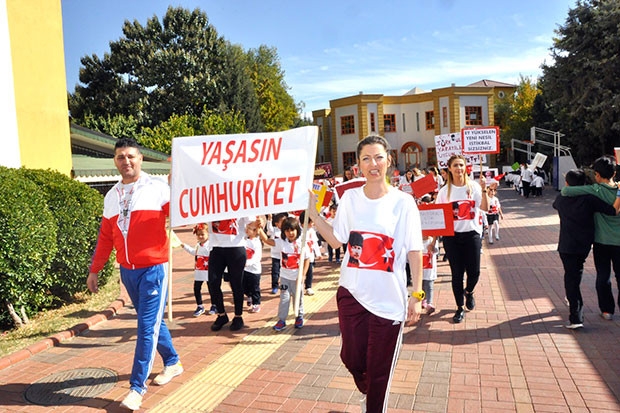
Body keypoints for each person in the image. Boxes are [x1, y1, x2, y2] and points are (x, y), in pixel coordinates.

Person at [309, 134, 424, 413]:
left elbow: (414, 251)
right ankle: (367, 389)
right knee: (352, 358)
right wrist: (312, 212)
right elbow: (337, 240)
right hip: (352, 292)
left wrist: (417, 295)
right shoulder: (350, 198)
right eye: (366, 158)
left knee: (379, 371)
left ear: (389, 160)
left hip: (389, 300)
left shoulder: (403, 202)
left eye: (378, 157)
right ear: (358, 165)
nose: (373, 164)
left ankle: (373, 403)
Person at [87, 138, 182, 411]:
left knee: (145, 328)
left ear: (140, 159)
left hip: (153, 269)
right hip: (127, 271)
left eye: (130, 156)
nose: (126, 161)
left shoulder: (158, 188)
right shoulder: (111, 196)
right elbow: (106, 237)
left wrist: (178, 188)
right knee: (150, 323)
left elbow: (180, 213)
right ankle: (173, 362)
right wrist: (95, 270)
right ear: (115, 161)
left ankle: (136, 389)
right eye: (120, 157)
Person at [553, 169, 616, 329]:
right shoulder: (590, 199)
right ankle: (578, 310)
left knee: (571, 279)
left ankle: (576, 317)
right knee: (577, 274)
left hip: (566, 245)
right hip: (584, 246)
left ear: (567, 183)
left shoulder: (561, 199)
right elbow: (611, 211)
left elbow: (555, 204)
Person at [436, 155, 489, 323]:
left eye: (461, 165)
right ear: (449, 169)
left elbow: (485, 208)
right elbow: (438, 217)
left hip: (471, 234)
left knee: (474, 272)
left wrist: (485, 189)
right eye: (455, 165)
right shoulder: (444, 191)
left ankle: (470, 292)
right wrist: (432, 241)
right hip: (452, 237)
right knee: (457, 274)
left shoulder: (473, 186)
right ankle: (459, 307)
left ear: (466, 167)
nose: (459, 168)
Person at [258, 217, 309, 331]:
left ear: (297, 230)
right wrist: (259, 228)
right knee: (284, 299)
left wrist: (303, 275)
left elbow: (307, 260)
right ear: (283, 232)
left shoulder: (302, 243)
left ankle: (299, 316)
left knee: (298, 298)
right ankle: (282, 320)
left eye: (292, 230)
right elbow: (267, 240)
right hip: (285, 277)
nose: (290, 233)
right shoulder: (281, 242)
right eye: (287, 230)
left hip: (297, 278)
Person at [207, 215, 257, 332]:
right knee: (213, 282)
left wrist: (257, 223)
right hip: (216, 246)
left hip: (236, 247)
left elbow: (252, 221)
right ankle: (221, 314)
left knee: (236, 283)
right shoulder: (209, 200)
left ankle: (238, 316)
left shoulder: (239, 200)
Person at [182, 223, 216, 316]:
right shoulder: (198, 245)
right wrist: (184, 246)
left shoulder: (210, 245)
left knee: (211, 288)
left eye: (203, 234)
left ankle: (214, 304)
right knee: (196, 288)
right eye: (198, 234)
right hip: (199, 271)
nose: (200, 236)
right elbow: (194, 252)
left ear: (208, 234)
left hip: (208, 271)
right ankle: (200, 305)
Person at [243, 219, 263, 313]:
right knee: (244, 286)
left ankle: (256, 303)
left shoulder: (257, 243)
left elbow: (257, 257)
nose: (247, 230)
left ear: (255, 231)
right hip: (245, 269)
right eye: (247, 228)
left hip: (254, 270)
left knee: (255, 287)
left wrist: (248, 262)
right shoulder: (245, 240)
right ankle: (249, 295)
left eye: (249, 229)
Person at [300, 211, 322, 296]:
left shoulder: (312, 231)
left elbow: (315, 243)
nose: (312, 224)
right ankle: (298, 286)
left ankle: (308, 287)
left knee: (310, 272)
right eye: (311, 222)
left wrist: (318, 254)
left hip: (310, 256)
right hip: (300, 257)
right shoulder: (298, 231)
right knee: (300, 272)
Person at [266, 213, 287, 294]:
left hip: (285, 255)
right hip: (275, 255)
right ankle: (274, 286)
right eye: (282, 221)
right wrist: (269, 219)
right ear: (277, 223)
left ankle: (284, 285)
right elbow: (269, 230)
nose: (284, 223)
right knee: (275, 272)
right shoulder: (274, 230)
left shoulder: (287, 231)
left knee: (284, 272)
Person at [422, 235, 439, 315]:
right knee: (421, 286)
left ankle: (429, 303)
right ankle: (423, 299)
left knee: (429, 285)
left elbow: (436, 251)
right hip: (420, 270)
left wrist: (433, 244)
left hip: (429, 269)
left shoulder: (432, 241)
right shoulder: (416, 241)